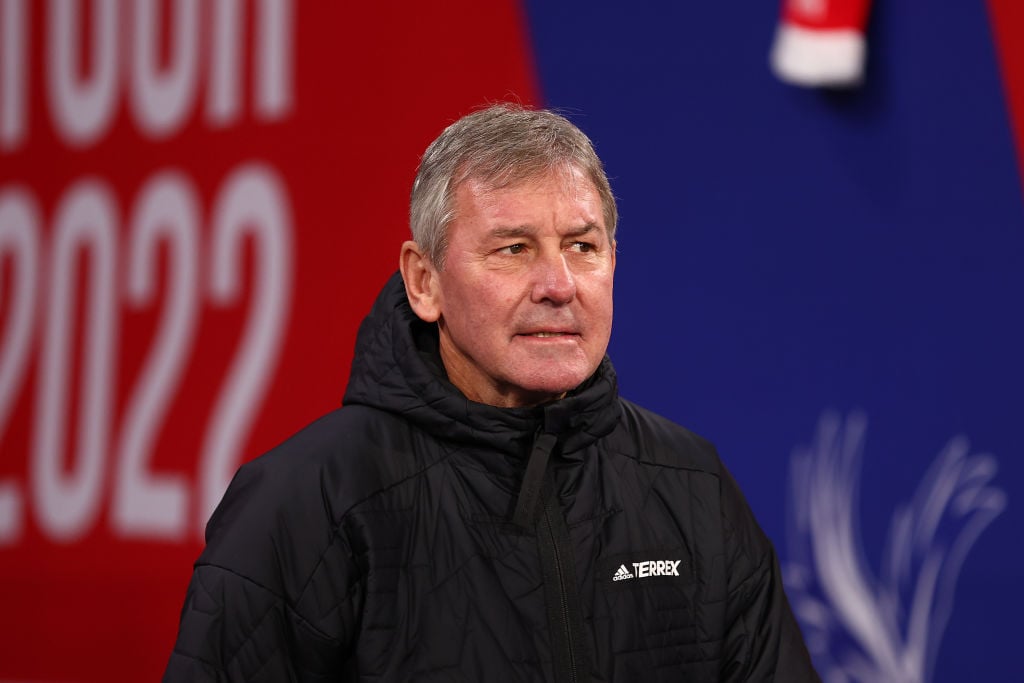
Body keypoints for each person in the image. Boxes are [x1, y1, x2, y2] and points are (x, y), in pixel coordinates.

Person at [164, 104, 820, 682]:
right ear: (424, 282)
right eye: (513, 248)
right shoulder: (307, 501)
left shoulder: (692, 486)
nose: (558, 284)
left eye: (582, 246)